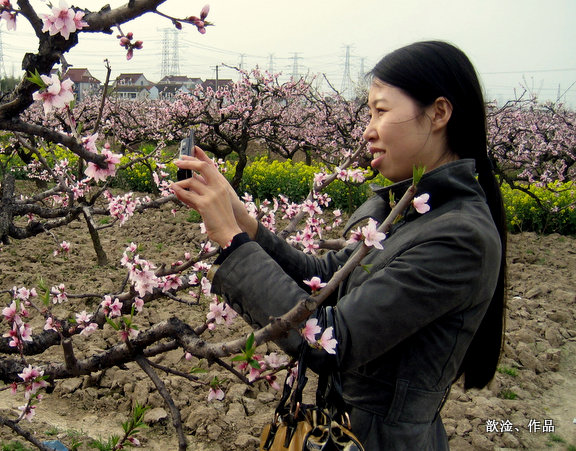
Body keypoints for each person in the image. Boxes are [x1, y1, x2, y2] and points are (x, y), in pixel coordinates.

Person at [171, 40, 506, 450]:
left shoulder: (459, 237)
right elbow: (326, 278)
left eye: (380, 111)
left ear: (438, 113)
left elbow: (330, 340)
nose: (367, 130)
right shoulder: (414, 211)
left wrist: (230, 239)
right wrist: (242, 219)